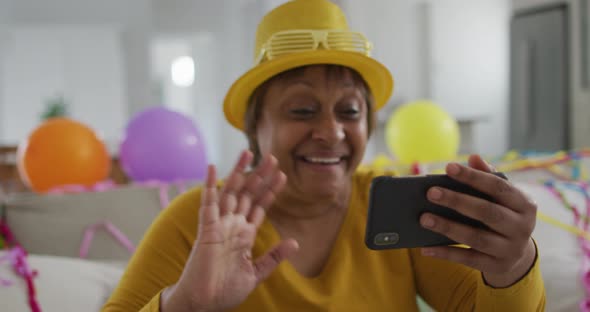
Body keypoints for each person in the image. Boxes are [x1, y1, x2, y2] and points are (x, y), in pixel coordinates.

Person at [103, 0, 545, 311]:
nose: (331, 131)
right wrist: (184, 306)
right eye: (302, 110)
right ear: (255, 128)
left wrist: (513, 264)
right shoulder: (198, 222)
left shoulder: (395, 209)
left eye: (349, 111)